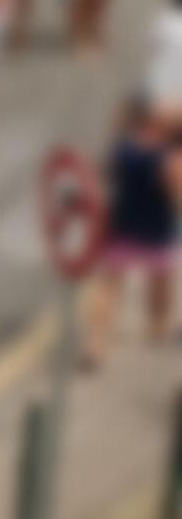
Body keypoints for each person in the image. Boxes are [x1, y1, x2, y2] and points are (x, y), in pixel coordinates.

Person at [84, 97, 180, 369]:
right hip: (158, 234)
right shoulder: (169, 160)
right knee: (160, 286)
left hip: (122, 228)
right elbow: (177, 198)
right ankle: (157, 327)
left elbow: (102, 176)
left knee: (108, 287)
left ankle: (96, 345)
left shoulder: (124, 147)